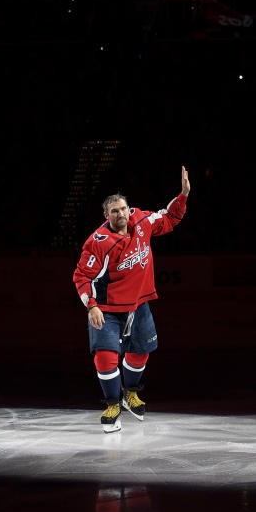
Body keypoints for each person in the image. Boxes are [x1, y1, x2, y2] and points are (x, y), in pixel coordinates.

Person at [72, 166, 190, 432]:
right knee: (105, 356)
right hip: (107, 309)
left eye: (123, 209)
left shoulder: (141, 221)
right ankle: (112, 403)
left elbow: (169, 218)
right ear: (106, 215)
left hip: (139, 303)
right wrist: (91, 306)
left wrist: (183, 195)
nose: (121, 214)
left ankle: (130, 393)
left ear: (129, 209)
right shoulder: (98, 242)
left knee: (142, 350)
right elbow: (81, 276)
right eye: (114, 211)